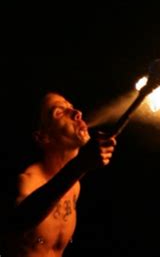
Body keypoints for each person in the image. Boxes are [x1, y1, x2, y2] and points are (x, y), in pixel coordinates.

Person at [4, 92, 117, 256]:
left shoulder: (75, 186)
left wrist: (79, 167)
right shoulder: (26, 180)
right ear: (43, 137)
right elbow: (19, 222)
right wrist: (79, 166)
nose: (77, 113)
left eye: (71, 107)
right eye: (59, 112)